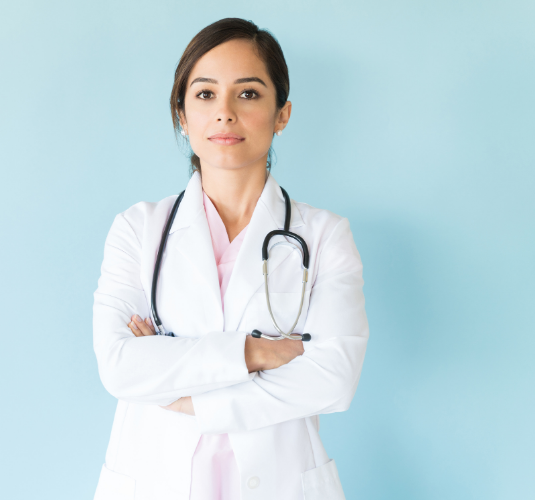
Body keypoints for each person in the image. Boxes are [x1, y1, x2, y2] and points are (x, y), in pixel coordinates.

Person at [92, 18, 368, 500]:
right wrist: (253, 353)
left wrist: (181, 388)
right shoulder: (138, 230)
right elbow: (120, 366)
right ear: (181, 113)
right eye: (204, 95)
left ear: (282, 113)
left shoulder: (324, 236)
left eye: (248, 94)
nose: (224, 113)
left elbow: (333, 378)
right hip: (153, 480)